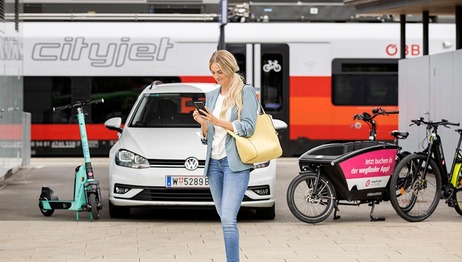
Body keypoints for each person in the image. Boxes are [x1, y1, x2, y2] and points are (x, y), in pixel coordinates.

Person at [192, 49, 258, 262]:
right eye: (213, 72)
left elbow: (248, 127)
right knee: (224, 218)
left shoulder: (245, 92)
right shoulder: (211, 95)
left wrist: (218, 121)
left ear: (230, 69)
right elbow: (208, 137)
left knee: (229, 219)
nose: (216, 76)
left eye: (220, 72)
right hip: (214, 164)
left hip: (234, 164)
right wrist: (204, 124)